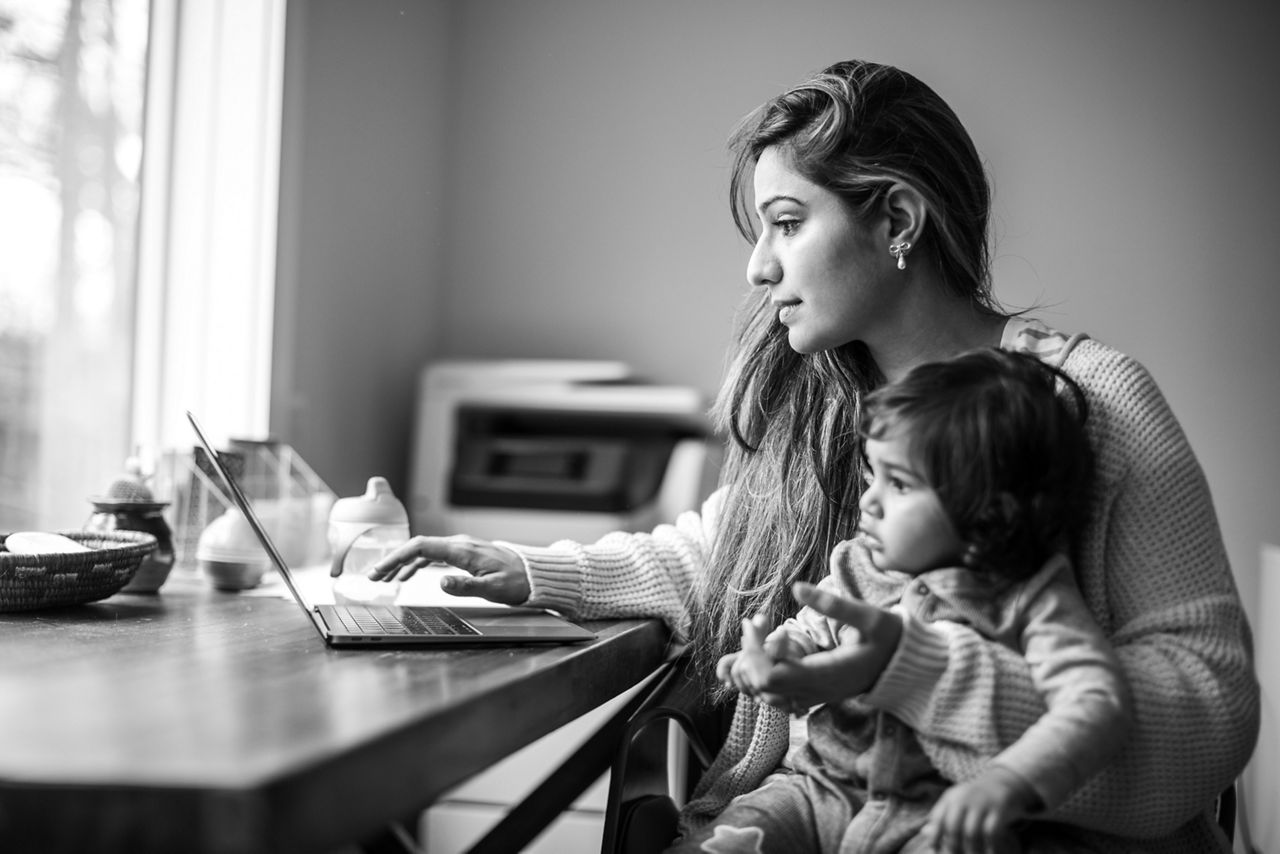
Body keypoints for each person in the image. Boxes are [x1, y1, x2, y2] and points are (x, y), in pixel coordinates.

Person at [367, 60, 1258, 851]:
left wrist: (918, 680)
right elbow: (722, 560)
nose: (758, 267)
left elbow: (1211, 706)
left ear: (898, 219)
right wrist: (525, 571)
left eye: (787, 222)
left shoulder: (1091, 400)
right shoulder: (820, 403)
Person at [708, 347, 1131, 854]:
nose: (869, 500)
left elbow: (1096, 703)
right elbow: (806, 630)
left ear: (988, 516)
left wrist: (1008, 782)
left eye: (900, 484)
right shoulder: (860, 565)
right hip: (817, 788)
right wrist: (777, 657)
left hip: (940, 819)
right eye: (873, 475)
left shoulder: (1031, 596)